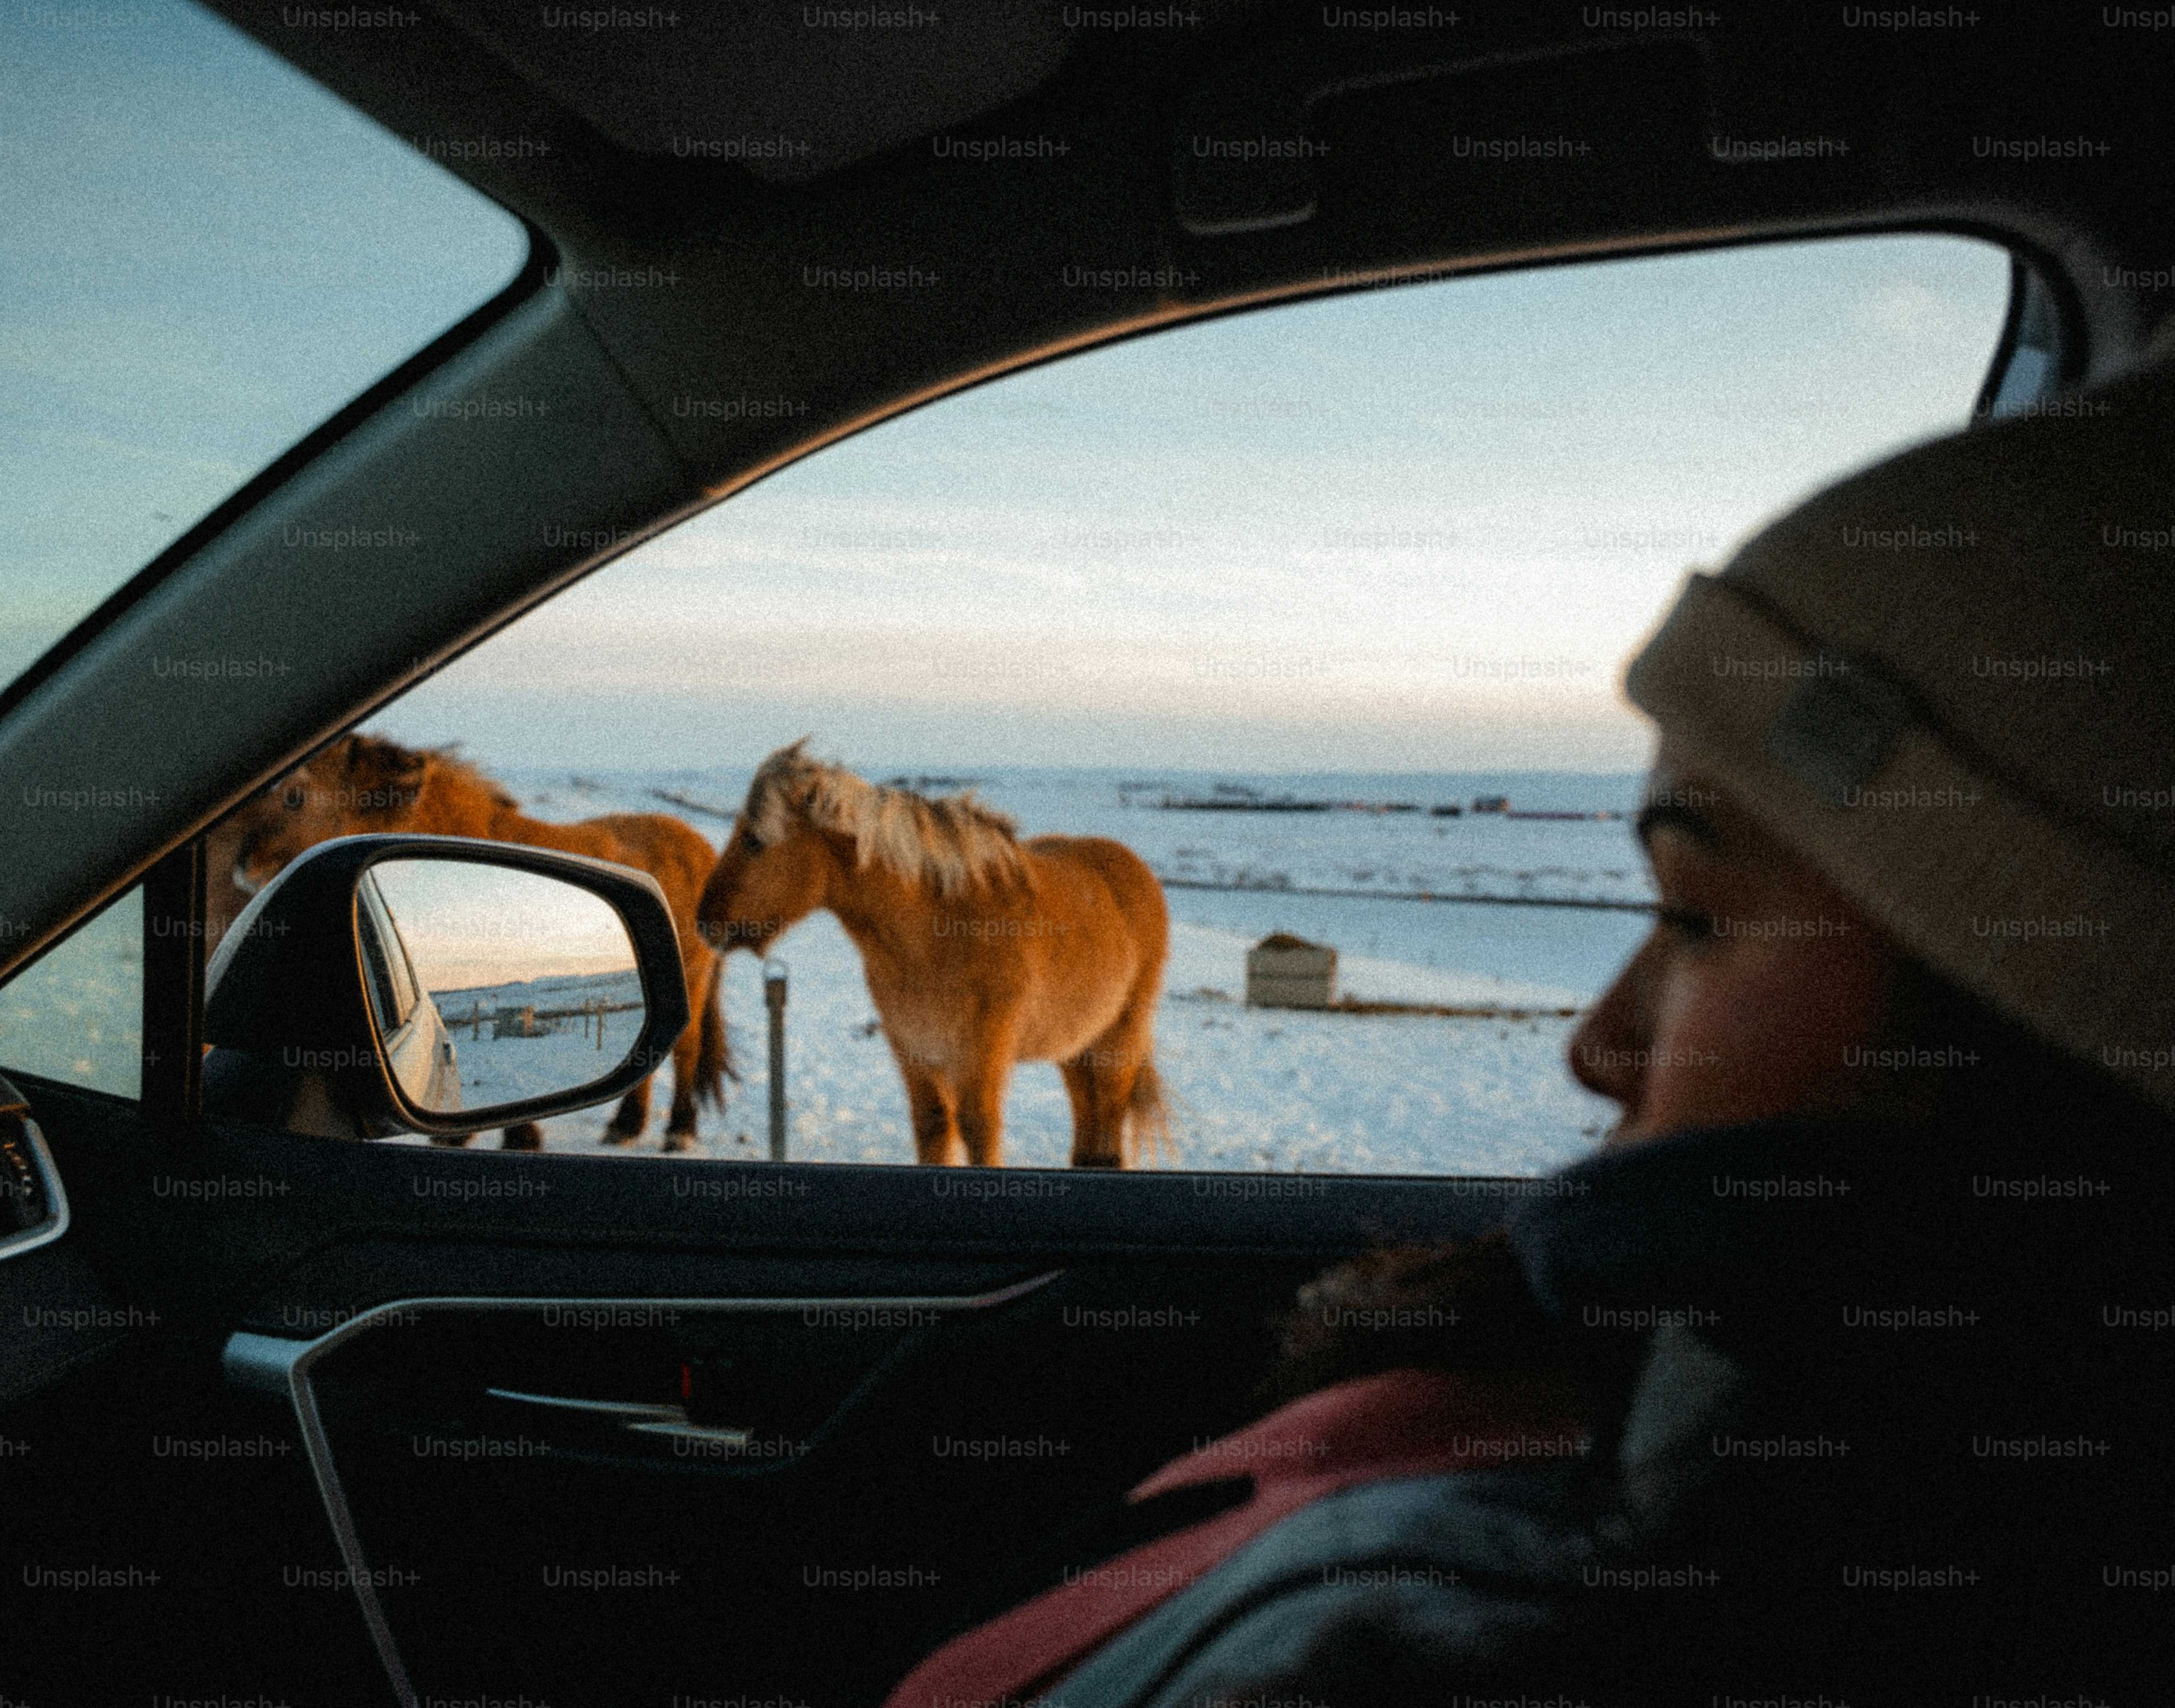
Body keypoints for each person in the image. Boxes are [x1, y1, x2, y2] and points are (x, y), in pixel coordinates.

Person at [885, 347, 2175, 1706]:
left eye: (1695, 920)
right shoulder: (1630, 1430)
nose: (1596, 1046)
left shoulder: (1470, 1638)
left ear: (2040, 1032)